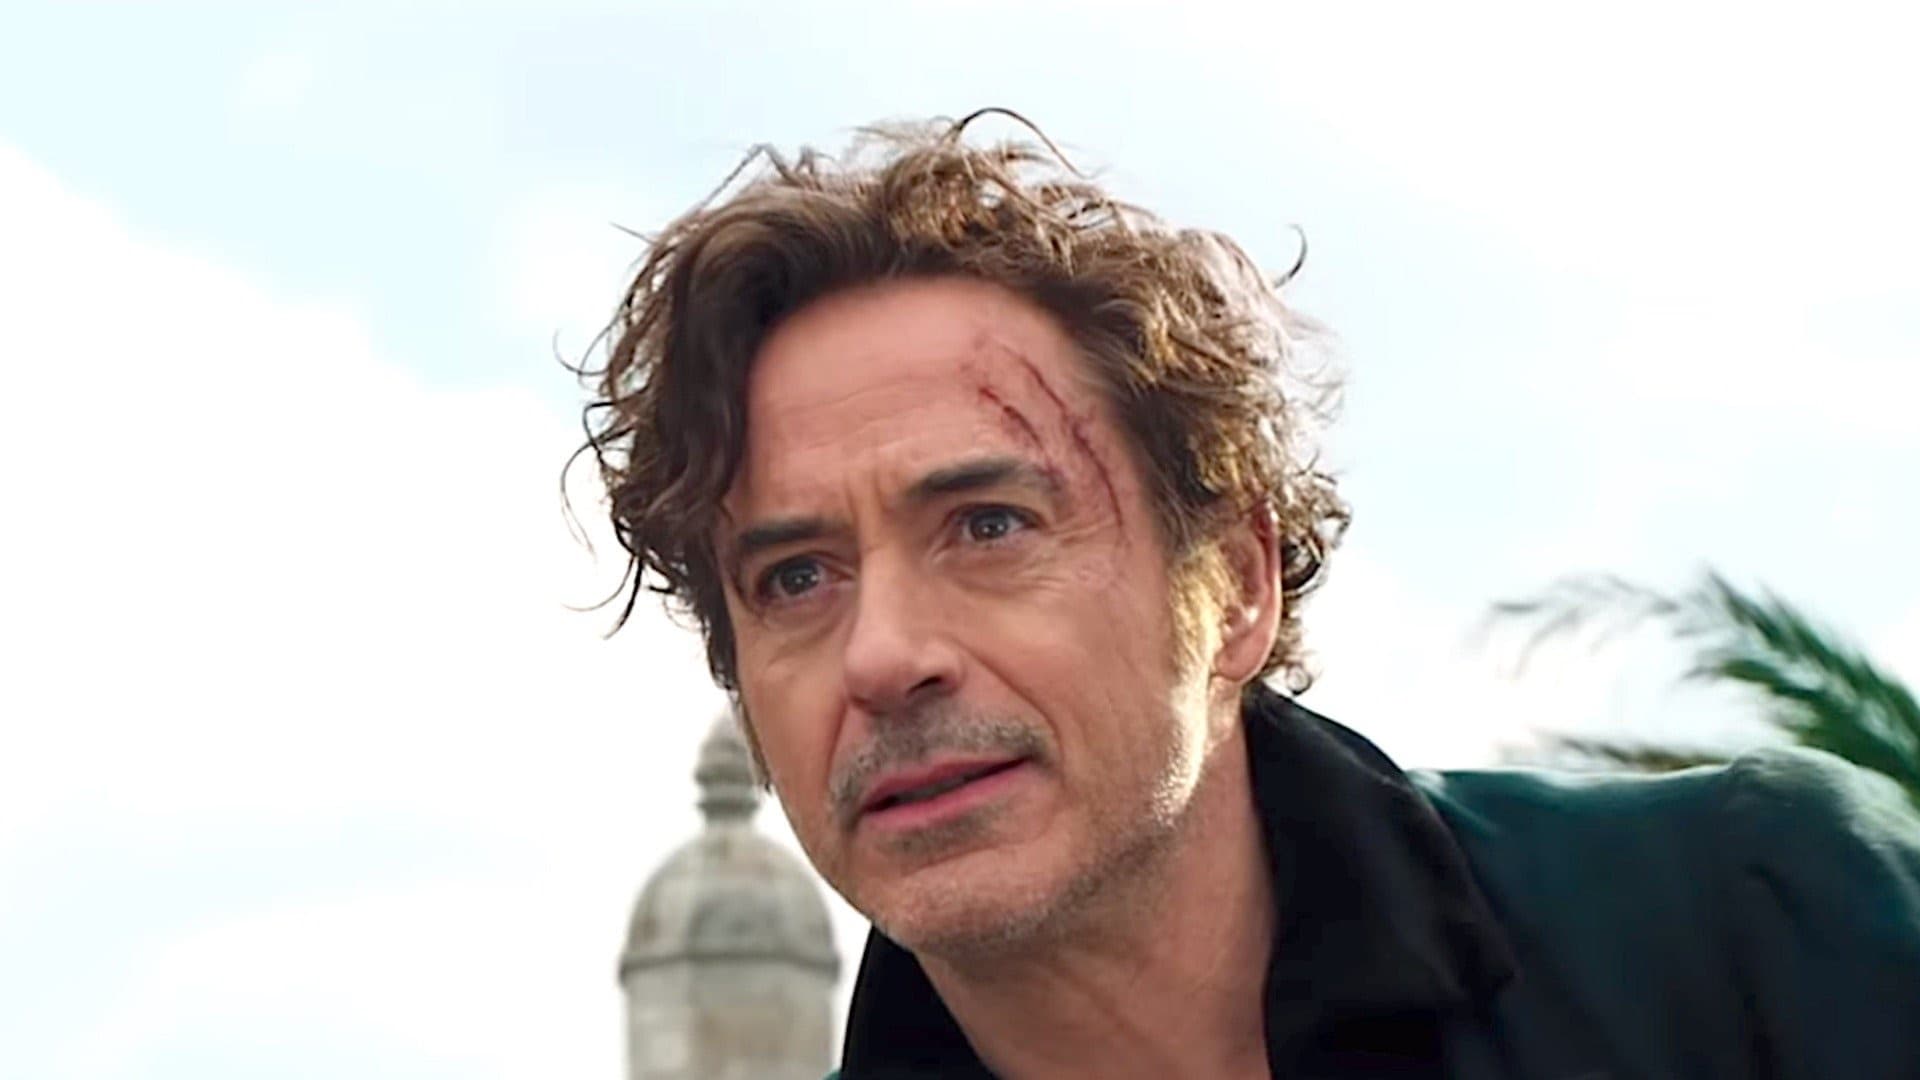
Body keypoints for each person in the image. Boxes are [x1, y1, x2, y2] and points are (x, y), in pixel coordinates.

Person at [573, 112, 1920, 1079]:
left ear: (1233, 586)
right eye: (797, 578)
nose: (884, 654)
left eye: (988, 525)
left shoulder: (1754, 936)